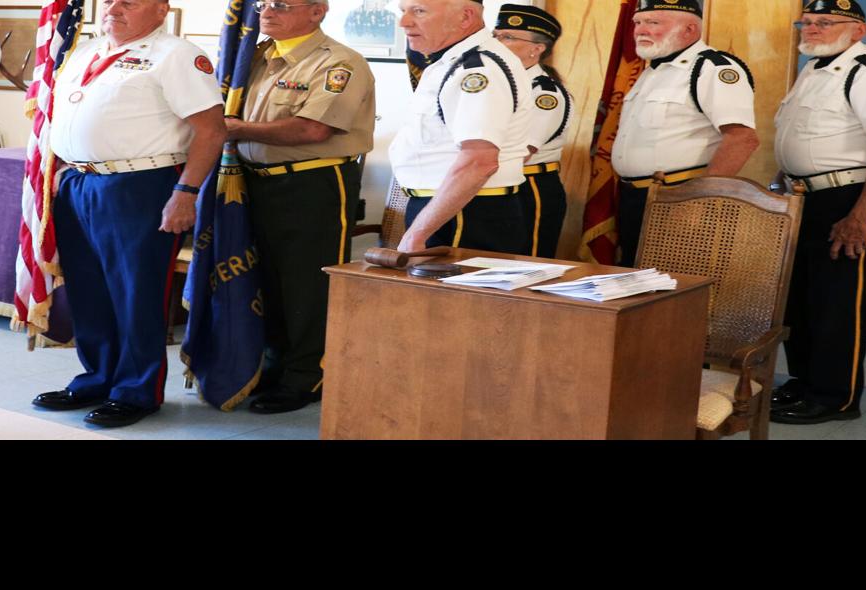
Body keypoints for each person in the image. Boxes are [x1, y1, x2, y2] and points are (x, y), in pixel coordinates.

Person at [29, 0, 225, 428]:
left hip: (140, 184)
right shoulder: (86, 51)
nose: (114, 8)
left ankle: (137, 389)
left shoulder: (176, 55)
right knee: (88, 289)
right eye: (111, 1)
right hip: (79, 183)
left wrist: (186, 192)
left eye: (129, 2)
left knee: (136, 291)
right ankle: (98, 376)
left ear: (160, 10)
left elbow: (211, 129)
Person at [770, 0, 866, 425]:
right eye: (808, 21)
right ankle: (804, 383)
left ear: (859, 30)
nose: (812, 29)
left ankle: (835, 397)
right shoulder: (814, 69)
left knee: (838, 303)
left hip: (852, 199)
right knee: (800, 300)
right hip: (806, 199)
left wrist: (861, 217)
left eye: (825, 22)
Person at [226, 0, 375, 414]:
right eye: (264, 4)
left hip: (313, 183)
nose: (267, 11)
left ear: (316, 11)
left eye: (282, 4)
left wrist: (236, 129)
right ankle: (275, 367)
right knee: (268, 279)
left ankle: (308, 376)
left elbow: (313, 128)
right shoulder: (251, 56)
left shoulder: (340, 62)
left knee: (307, 284)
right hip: (254, 181)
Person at [610, 0, 757, 267]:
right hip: (635, 198)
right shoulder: (652, 71)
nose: (640, 30)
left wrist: (701, 201)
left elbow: (742, 138)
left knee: (672, 288)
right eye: (638, 23)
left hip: (681, 197)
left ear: (690, 29)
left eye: (653, 23)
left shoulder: (712, 68)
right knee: (637, 286)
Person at [390, 0, 532, 255]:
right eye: (403, 11)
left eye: (419, 11)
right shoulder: (452, 62)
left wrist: (417, 233)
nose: (404, 22)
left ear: (465, 17)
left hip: (465, 214)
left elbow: (479, 162)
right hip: (449, 208)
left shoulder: (478, 70)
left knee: (452, 296)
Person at [492, 4, 573, 259]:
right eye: (495, 36)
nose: (496, 43)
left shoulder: (545, 93)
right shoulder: (499, 84)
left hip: (531, 187)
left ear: (537, 49)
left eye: (508, 37)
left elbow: (521, 152)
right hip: (498, 183)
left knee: (527, 263)